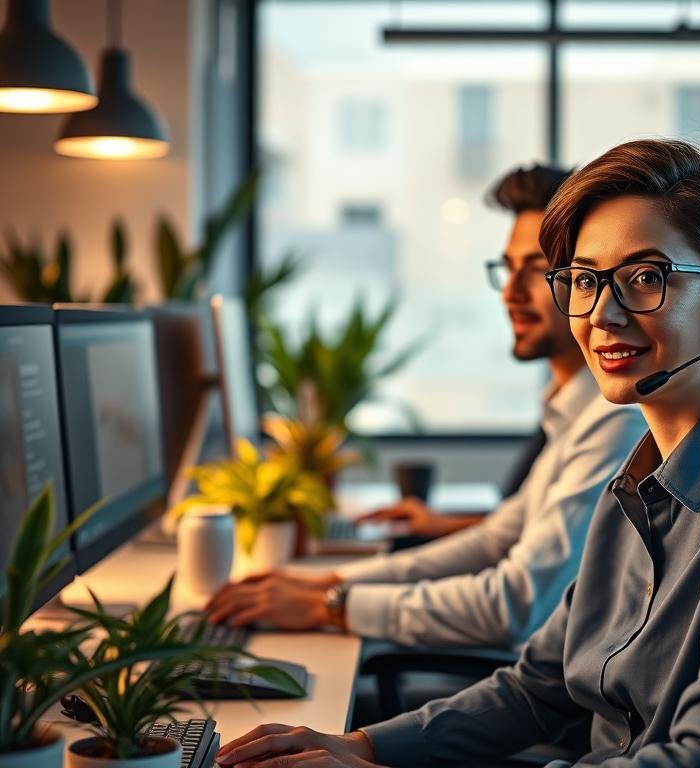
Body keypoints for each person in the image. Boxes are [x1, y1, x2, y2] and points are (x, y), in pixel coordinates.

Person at [213, 139, 700, 768]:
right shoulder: (636, 486)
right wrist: (363, 747)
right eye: (582, 279)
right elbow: (541, 685)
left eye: (644, 277)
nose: (600, 314)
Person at [206, 164, 647, 649]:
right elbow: (496, 538)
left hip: (527, 683)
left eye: (537, 272)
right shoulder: (573, 413)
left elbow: (514, 605)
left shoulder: (614, 419)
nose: (510, 293)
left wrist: (326, 604)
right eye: (508, 268)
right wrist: (326, 581)